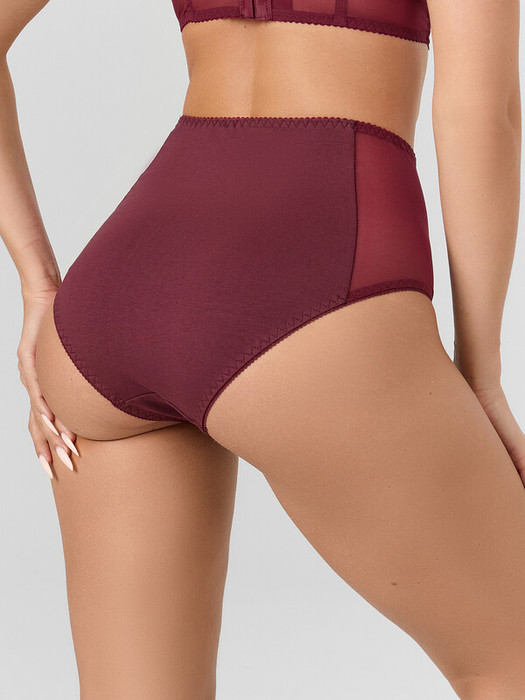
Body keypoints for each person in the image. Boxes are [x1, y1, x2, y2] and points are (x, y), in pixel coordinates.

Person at [2, 0, 524, 696]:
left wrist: (39, 287)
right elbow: (482, 112)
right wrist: (481, 372)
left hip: (116, 296)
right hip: (312, 274)